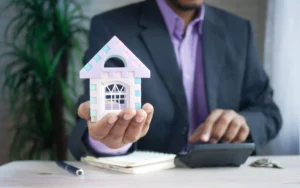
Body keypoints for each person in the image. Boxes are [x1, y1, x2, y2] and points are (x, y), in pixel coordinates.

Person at [69, 0, 282, 160]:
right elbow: (95, 115)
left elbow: (268, 112)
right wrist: (109, 141)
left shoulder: (239, 30)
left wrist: (244, 122)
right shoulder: (111, 27)